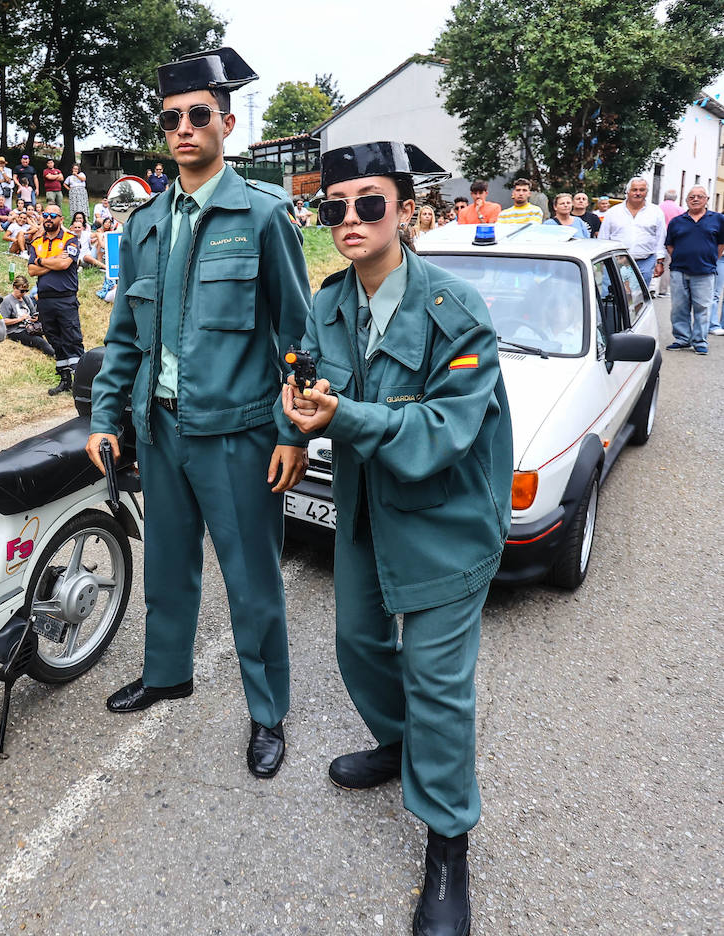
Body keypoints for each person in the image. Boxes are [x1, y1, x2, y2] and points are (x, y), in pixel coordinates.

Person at [281, 140, 512, 936]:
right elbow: (310, 374)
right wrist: (293, 415)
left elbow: (444, 430)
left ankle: (448, 845)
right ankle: (401, 745)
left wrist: (342, 416)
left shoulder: (458, 310)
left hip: (447, 517)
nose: (349, 219)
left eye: (369, 203)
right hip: (369, 510)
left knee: (436, 679)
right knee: (358, 644)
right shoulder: (329, 300)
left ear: (406, 212)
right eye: (333, 207)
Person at [86, 47, 310, 783]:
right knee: (166, 567)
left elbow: (298, 340)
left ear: (226, 124)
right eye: (172, 118)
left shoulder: (263, 215)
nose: (184, 128)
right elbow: (125, 334)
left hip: (239, 435)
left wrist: (291, 431)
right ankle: (167, 673)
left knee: (251, 580)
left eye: (198, 116)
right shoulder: (145, 222)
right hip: (161, 427)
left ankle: (267, 710)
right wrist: (107, 417)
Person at [25, 201, 83, 392]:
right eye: (46, 215)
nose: (48, 219)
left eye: (53, 216)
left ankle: (82, 382)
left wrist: (42, 261)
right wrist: (53, 261)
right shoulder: (36, 242)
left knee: (72, 338)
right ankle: (65, 381)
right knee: (55, 340)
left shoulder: (70, 239)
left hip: (65, 298)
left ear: (61, 219)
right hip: (44, 300)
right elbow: (32, 270)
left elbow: (65, 265)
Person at [663, 185, 724, 354]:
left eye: (699, 196)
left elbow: (720, 244)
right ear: (686, 200)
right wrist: (683, 257)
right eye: (691, 197)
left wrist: (709, 258)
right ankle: (682, 339)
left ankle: (700, 341)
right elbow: (669, 245)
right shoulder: (677, 221)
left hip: (705, 271)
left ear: (706, 200)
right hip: (679, 271)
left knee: (702, 308)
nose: (695, 199)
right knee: (679, 307)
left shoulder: (718, 219)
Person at [599, 178, 667, 286]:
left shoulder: (656, 212)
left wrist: (659, 262)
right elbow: (603, 238)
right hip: (617, 262)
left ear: (646, 192)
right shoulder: (613, 212)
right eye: (634, 190)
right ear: (627, 192)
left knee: (640, 298)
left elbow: (661, 238)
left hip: (645, 262)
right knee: (615, 298)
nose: (638, 193)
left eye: (642, 190)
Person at [0, 275, 54, 355]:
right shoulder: (7, 300)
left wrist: (34, 318)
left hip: (30, 327)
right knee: (39, 341)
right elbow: (3, 321)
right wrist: (20, 319)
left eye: (26, 291)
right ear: (14, 287)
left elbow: (33, 314)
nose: (24, 293)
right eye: (22, 291)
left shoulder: (26, 298)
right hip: (16, 330)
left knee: (51, 332)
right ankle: (55, 356)